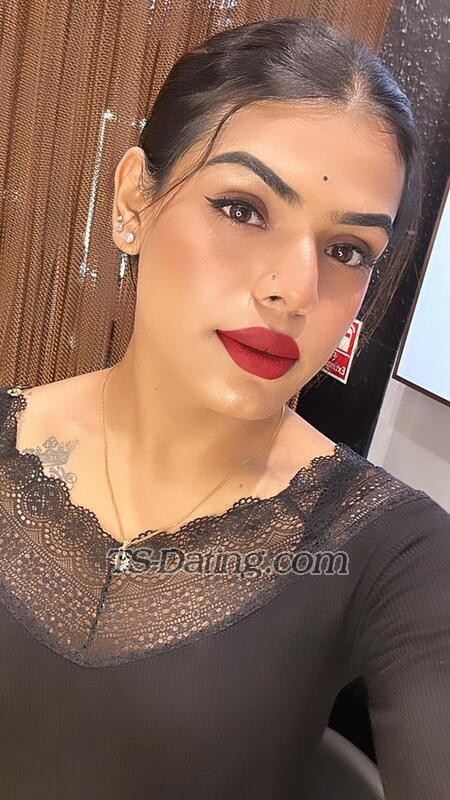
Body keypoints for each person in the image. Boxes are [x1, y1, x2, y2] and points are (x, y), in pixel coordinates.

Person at [0, 15, 449, 800]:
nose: (294, 291)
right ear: (135, 200)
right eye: (244, 209)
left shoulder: (395, 551)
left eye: (347, 251)